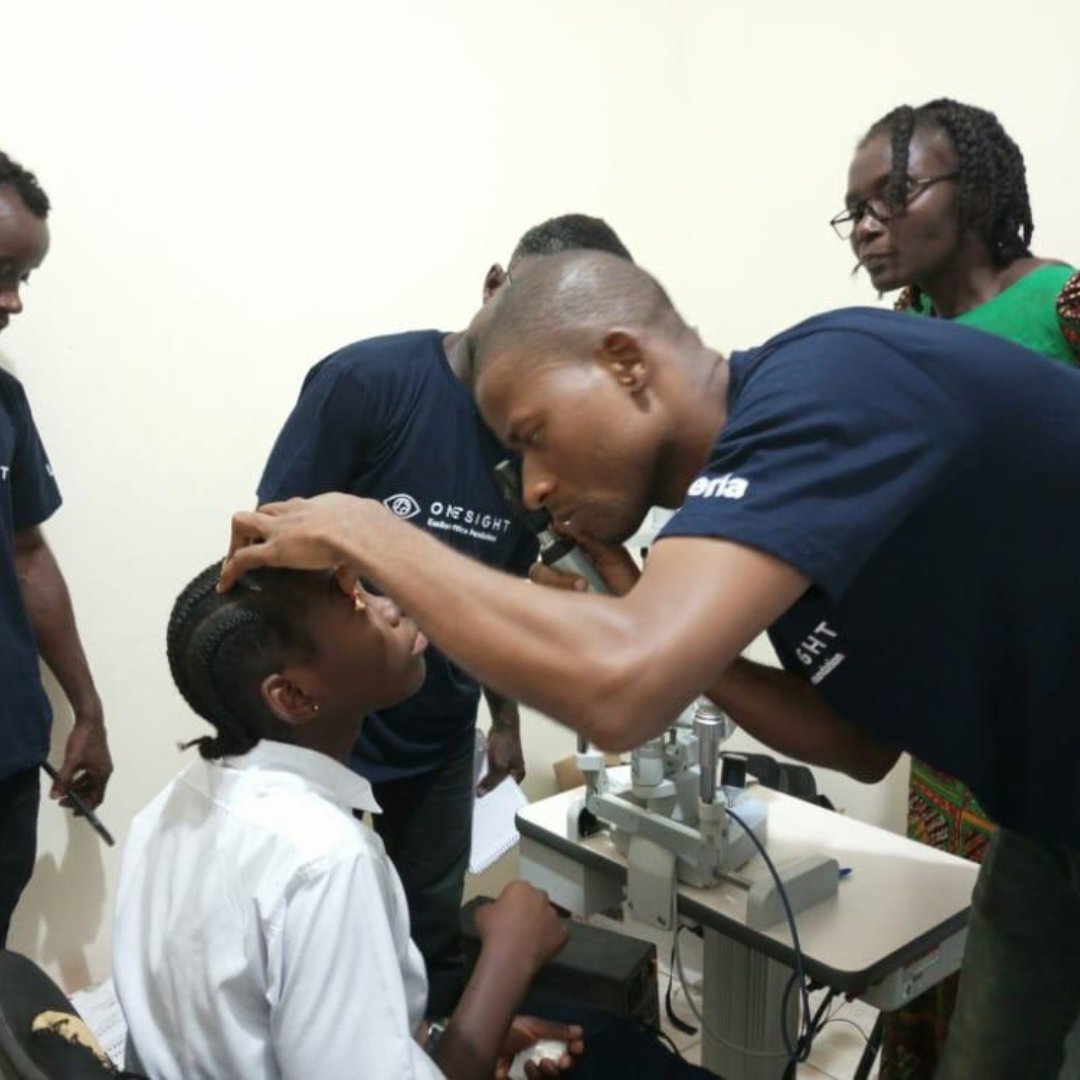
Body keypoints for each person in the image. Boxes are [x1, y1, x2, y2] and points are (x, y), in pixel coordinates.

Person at [222, 249, 1080, 1078]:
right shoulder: (765, 504)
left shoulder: (826, 382)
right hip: (1044, 822)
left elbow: (624, 692)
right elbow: (855, 741)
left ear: (625, 363)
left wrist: (373, 533)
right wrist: (649, 626)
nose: (528, 491)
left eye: (530, 437)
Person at [115, 562, 710, 1079]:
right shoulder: (324, 859)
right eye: (356, 605)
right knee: (626, 1052)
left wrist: (446, 1042)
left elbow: (276, 1028)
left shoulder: (173, 804)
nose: (390, 603)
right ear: (292, 696)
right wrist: (509, 957)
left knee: (596, 1039)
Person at [255, 213, 632, 1014]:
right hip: (327, 737)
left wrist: (505, 719)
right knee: (312, 960)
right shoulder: (368, 384)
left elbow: (496, 585)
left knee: (423, 948)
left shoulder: (530, 442)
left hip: (438, 743)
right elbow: (272, 557)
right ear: (495, 285)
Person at [835, 97, 1080, 1078]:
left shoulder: (1065, 305)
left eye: (892, 193)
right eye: (851, 208)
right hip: (966, 730)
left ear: (972, 191)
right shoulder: (897, 338)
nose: (866, 224)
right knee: (962, 987)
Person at [0, 151, 111, 946]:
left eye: (24, 278)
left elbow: (28, 555)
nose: (12, 302)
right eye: (0, 271)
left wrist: (88, 706)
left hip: (6, 752)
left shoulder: (4, 402)